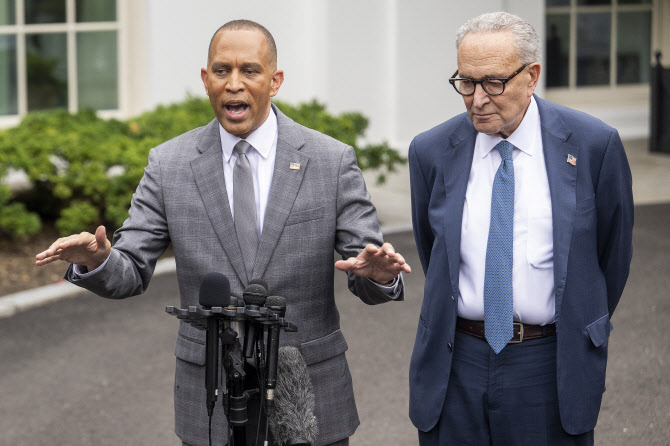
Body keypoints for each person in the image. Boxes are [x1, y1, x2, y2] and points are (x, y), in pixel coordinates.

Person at [36, 20, 410, 446]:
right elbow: (131, 270)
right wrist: (97, 260)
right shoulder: (169, 165)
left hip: (307, 392)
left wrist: (380, 275)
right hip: (209, 398)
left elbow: (366, 266)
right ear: (205, 79)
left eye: (249, 70)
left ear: (275, 81)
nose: (234, 84)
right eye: (221, 70)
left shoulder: (331, 161)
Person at [408, 11, 633, 446]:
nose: (477, 99)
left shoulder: (593, 145)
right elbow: (431, 247)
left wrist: (579, 320)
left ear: (532, 76)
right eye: (466, 82)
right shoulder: (431, 150)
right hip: (456, 362)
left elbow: (612, 255)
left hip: (550, 361)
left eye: (494, 83)